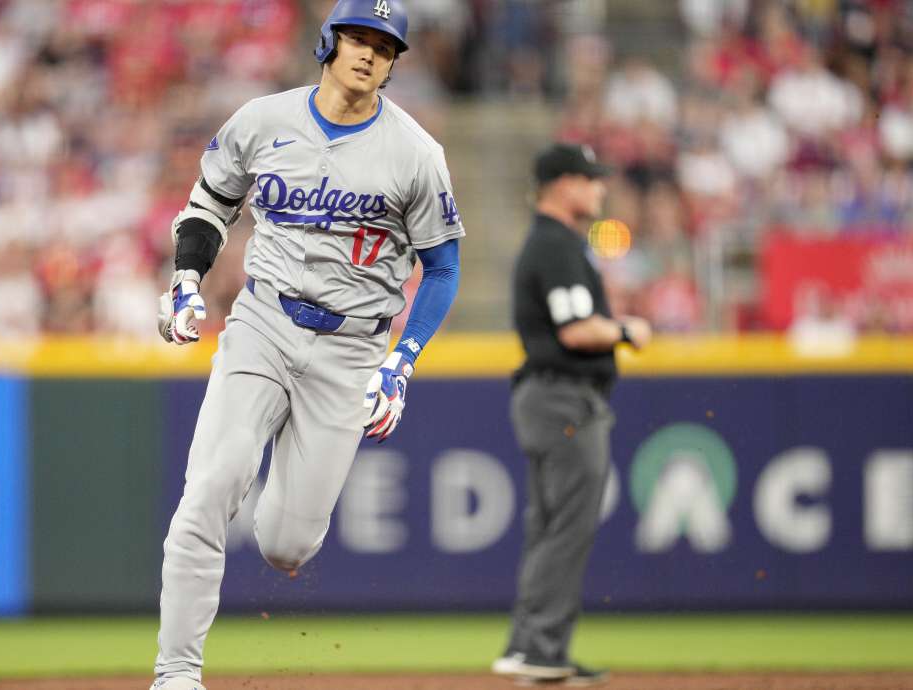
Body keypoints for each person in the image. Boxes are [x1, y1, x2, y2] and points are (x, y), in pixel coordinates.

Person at [150, 2, 464, 689]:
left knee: (287, 546)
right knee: (210, 487)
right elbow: (209, 203)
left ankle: (280, 508)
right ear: (329, 41)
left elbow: (442, 268)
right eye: (358, 37)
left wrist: (402, 360)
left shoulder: (415, 153)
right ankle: (175, 673)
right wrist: (186, 277)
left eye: (385, 46)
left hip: (352, 348)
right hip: (263, 322)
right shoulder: (263, 120)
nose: (369, 53)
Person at [492, 143, 651, 687]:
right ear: (563, 184)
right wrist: (626, 329)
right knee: (566, 529)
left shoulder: (552, 242)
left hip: (548, 397)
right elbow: (577, 330)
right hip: (564, 399)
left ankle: (530, 647)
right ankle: (540, 648)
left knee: (549, 527)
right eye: (590, 178)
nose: (599, 187)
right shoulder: (556, 244)